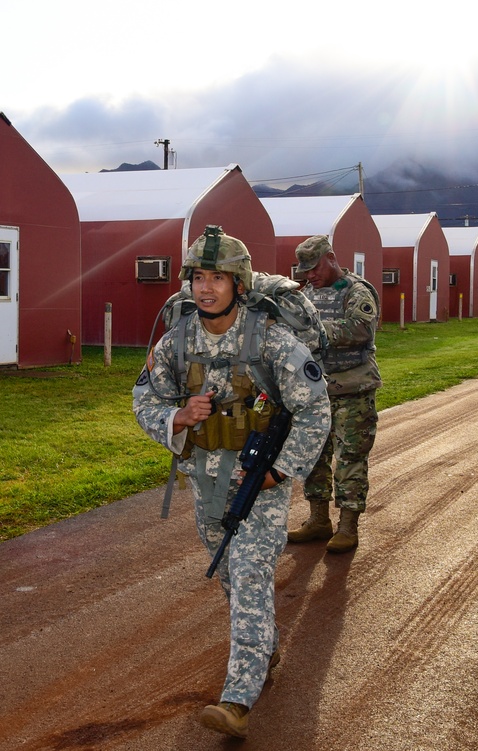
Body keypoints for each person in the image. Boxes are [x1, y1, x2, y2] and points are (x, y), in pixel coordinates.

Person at [133, 227, 331, 739]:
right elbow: (143, 400)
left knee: (247, 574)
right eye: (198, 276)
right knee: (229, 575)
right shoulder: (177, 341)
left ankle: (237, 699)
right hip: (205, 480)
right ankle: (264, 645)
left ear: (238, 284)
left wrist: (281, 469)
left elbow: (315, 408)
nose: (205, 288)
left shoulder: (269, 339)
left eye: (217, 277)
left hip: (260, 482)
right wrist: (177, 417)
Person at [286, 235, 382, 553]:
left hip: (353, 389)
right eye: (305, 270)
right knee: (314, 456)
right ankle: (318, 520)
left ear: (330, 258)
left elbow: (361, 328)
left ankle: (347, 527)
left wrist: (315, 330)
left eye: (314, 268)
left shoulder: (356, 290)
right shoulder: (308, 293)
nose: (309, 275)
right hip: (317, 390)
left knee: (350, 459)